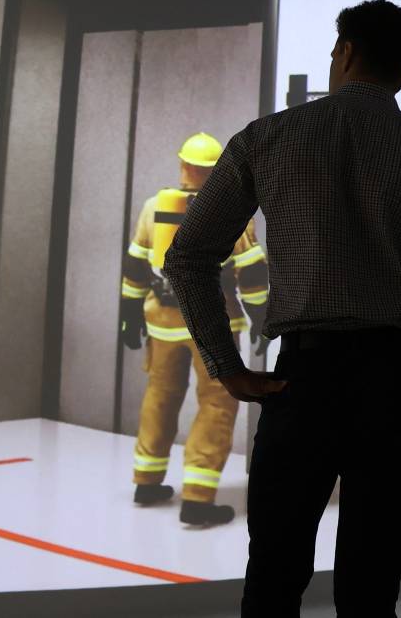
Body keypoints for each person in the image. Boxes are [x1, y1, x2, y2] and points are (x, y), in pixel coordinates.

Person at [162, 0, 401, 617]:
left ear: (345, 51)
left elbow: (187, 257)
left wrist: (225, 365)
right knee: (371, 592)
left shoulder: (266, 139)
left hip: (305, 380)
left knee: (274, 580)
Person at [119, 132, 271, 527]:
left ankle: (147, 481)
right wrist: (260, 319)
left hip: (162, 324)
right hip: (213, 328)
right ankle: (198, 499)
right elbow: (252, 275)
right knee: (217, 404)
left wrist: (129, 313)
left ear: (183, 165)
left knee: (160, 396)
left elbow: (135, 265)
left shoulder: (154, 206)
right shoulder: (231, 212)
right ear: (217, 170)